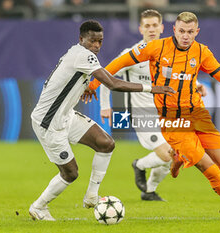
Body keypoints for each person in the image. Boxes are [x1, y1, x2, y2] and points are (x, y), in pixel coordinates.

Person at [86, 12, 220, 220]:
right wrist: (93, 84)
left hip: (199, 116)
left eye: (190, 32)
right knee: (210, 170)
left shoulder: (201, 51)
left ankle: (180, 157)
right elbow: (118, 63)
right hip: (172, 121)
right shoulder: (155, 47)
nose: (185, 36)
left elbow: (218, 71)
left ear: (196, 32)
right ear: (174, 29)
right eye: (182, 31)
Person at [29, 20, 174, 221]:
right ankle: (39, 207)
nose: (96, 46)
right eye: (92, 41)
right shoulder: (83, 55)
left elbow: (75, 78)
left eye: (100, 41)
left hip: (66, 116)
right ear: (81, 40)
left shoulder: (78, 54)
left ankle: (91, 196)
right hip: (49, 122)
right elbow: (113, 83)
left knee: (105, 143)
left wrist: (86, 86)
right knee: (70, 173)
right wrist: (151, 88)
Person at [95, 9, 207, 202]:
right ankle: (138, 165)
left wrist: (196, 85)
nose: (152, 29)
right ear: (140, 29)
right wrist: (105, 106)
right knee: (167, 154)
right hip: (143, 115)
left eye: (155, 25)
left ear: (162, 27)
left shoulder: (170, 54)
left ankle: (149, 190)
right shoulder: (131, 54)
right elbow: (106, 75)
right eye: (147, 26)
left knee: (175, 156)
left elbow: (179, 79)